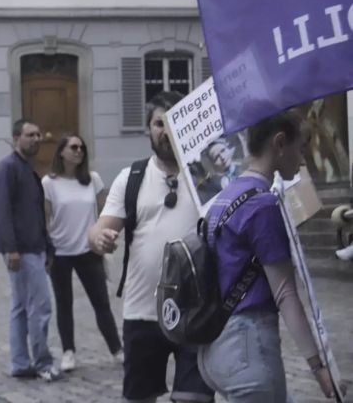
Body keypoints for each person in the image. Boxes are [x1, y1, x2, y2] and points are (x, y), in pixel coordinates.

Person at [198, 110, 343, 401]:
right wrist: (319, 367)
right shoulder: (262, 205)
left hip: (215, 350)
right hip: (249, 350)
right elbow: (285, 294)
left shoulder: (224, 198)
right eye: (300, 149)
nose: (303, 161)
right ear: (279, 143)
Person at [88, 91, 213, 403]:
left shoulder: (209, 178)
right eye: (160, 123)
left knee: (194, 399)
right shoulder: (132, 177)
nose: (166, 130)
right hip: (142, 312)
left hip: (196, 312)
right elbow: (99, 229)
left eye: (174, 122)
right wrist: (100, 238)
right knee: (139, 398)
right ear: (149, 129)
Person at [41, 133, 122, 372]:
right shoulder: (49, 183)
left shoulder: (92, 180)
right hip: (60, 252)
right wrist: (47, 252)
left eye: (82, 148)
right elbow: (45, 219)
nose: (79, 151)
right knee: (64, 304)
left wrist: (105, 238)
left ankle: (116, 349)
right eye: (74, 147)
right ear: (62, 152)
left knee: (101, 303)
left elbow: (106, 212)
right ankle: (68, 352)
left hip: (89, 250)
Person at [0, 119, 61, 382]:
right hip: (21, 250)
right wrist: (11, 249)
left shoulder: (28, 169)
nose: (36, 139)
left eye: (38, 134)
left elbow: (35, 214)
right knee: (40, 306)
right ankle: (43, 362)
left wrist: (48, 247)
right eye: (30, 135)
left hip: (34, 247)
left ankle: (20, 362)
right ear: (15, 138)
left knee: (21, 307)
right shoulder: (7, 168)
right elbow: (2, 211)